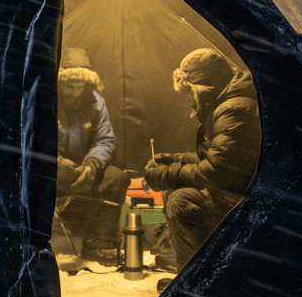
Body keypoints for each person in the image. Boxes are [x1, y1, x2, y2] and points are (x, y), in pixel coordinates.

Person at [142, 47, 260, 282]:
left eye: (189, 92)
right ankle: (193, 262)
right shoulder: (228, 104)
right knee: (175, 191)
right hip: (238, 192)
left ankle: (192, 283)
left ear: (204, 87)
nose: (189, 99)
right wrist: (174, 160)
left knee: (181, 200)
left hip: (244, 202)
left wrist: (166, 175)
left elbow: (216, 171)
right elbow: (220, 159)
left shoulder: (232, 110)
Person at [56, 47, 130, 263]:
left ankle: (99, 244)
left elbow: (105, 140)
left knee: (117, 178)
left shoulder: (97, 102)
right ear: (59, 82)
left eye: (79, 87)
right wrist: (55, 162)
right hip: (48, 170)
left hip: (83, 169)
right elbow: (30, 139)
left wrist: (92, 165)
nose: (74, 93)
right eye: (69, 87)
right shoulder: (42, 99)